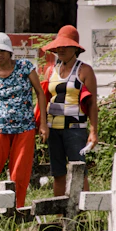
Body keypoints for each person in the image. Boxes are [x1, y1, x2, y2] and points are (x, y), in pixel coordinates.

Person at [0, 32, 49, 208]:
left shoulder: (25, 67)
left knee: (19, 173)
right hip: (0, 129)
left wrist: (42, 123)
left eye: (2, 50)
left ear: (9, 51)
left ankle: (16, 212)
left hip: (25, 128)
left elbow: (40, 94)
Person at [41, 25, 98, 196]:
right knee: (58, 173)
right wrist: (43, 125)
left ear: (75, 48)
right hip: (53, 129)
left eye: (66, 45)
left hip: (76, 130)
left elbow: (93, 104)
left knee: (79, 171)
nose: (61, 49)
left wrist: (93, 131)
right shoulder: (50, 70)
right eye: (59, 46)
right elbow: (43, 100)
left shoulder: (84, 70)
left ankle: (83, 215)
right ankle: (60, 215)